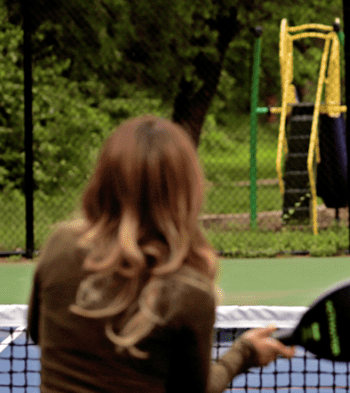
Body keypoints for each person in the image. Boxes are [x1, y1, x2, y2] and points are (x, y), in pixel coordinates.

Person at [28, 114, 295, 393]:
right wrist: (244, 353)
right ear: (185, 191)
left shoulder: (60, 245)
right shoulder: (190, 293)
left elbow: (38, 332)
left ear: (106, 178)